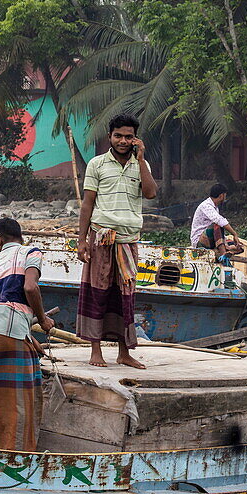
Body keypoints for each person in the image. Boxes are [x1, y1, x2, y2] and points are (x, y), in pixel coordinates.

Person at [77, 112, 157, 368]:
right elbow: (87, 205)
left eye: (128, 136)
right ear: (110, 136)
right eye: (118, 136)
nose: (123, 140)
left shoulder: (141, 165)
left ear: (136, 139)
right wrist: (81, 242)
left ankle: (124, 352)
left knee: (125, 296)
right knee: (97, 292)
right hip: (101, 237)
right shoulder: (96, 164)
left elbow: (151, 193)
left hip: (128, 240)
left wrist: (141, 159)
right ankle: (95, 351)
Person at [0, 218, 54, 451]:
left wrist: (29, 337)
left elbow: (3, 303)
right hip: (11, 331)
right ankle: (16, 454)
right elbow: (29, 288)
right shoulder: (31, 252)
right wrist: (43, 320)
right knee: (19, 400)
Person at [190, 183, 243, 258]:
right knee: (217, 224)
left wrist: (227, 242)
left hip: (210, 239)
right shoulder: (206, 206)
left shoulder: (215, 208)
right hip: (199, 240)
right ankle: (223, 253)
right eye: (225, 195)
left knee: (240, 247)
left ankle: (226, 249)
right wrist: (234, 234)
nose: (225, 197)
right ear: (221, 195)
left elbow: (218, 232)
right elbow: (219, 221)